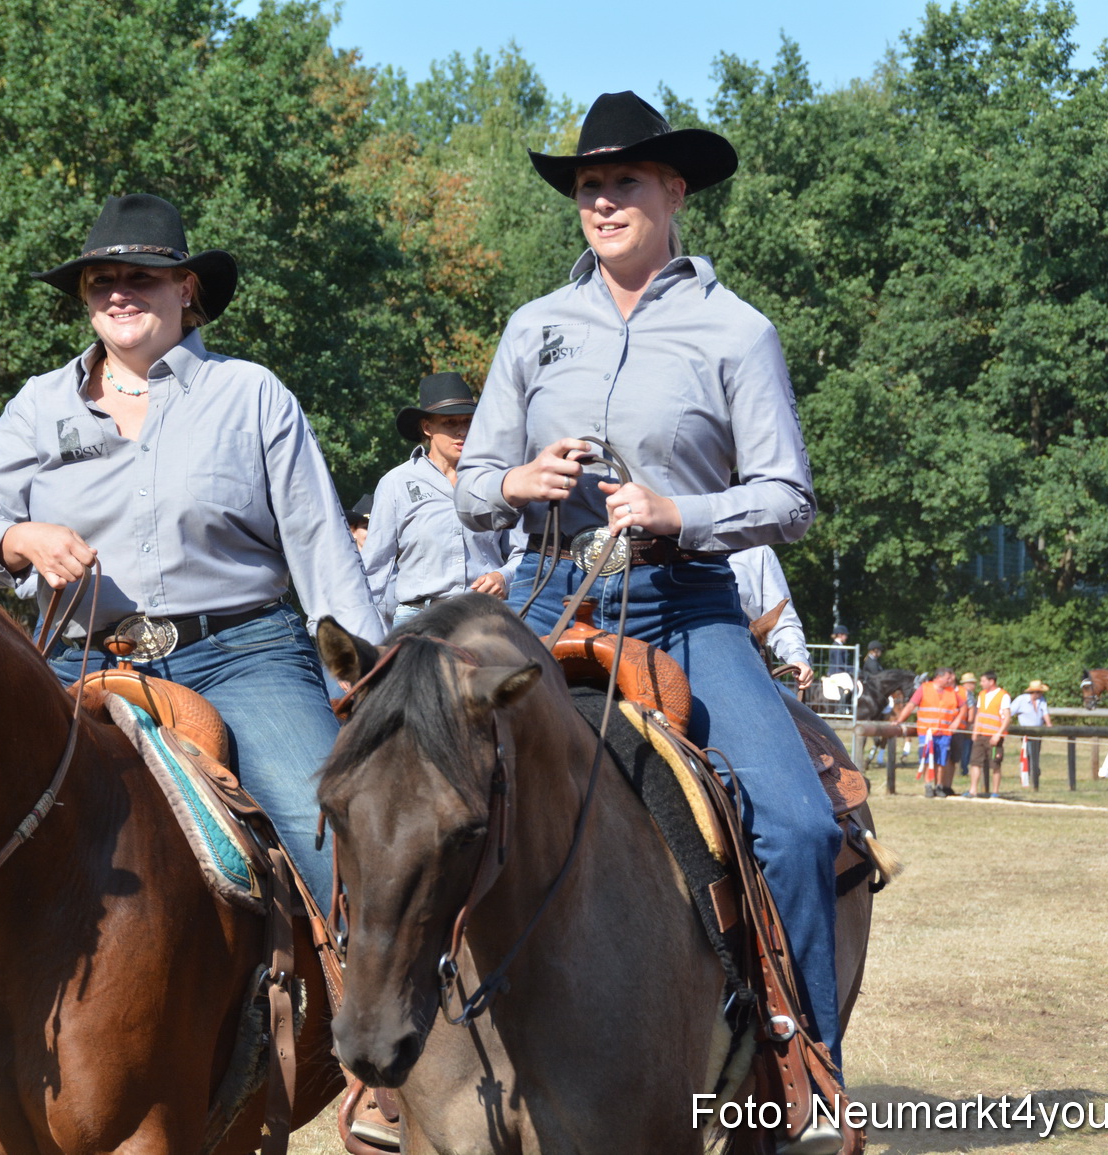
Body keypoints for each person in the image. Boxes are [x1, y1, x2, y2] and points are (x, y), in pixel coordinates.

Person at [451, 91, 846, 1145]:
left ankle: (803, 1062)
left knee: (799, 824)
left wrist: (682, 512)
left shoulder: (736, 331)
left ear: (675, 191)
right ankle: (400, 1055)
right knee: (416, 777)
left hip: (683, 602)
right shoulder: (533, 327)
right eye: (589, 184)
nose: (603, 199)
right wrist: (517, 480)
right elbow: (473, 484)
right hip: (545, 591)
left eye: (625, 180)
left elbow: (789, 499)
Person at [0, 192, 382, 913]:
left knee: (334, 842)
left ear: (186, 289)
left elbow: (321, 547)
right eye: (102, 281)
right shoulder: (38, 405)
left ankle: (362, 984)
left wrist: (371, 682)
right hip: (79, 658)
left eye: (142, 278)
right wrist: (18, 538)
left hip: (243, 657)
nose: (119, 293)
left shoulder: (251, 394)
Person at [361, 373, 526, 630]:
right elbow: (375, 569)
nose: (462, 431)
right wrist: (369, 635)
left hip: (485, 618)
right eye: (450, 422)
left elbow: (523, 553)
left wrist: (503, 576)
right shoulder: (396, 483)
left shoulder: (496, 481)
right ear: (427, 427)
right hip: (419, 622)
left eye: (468, 421)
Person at [728, 545, 813, 691]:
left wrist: (797, 656)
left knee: (794, 706)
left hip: (749, 665)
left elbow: (781, 619)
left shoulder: (757, 552)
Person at [895, 667, 966, 797]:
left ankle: (939, 786)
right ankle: (928, 786)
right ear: (939, 677)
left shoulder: (952, 692)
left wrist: (957, 721)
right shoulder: (924, 689)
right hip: (927, 732)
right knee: (927, 759)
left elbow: (963, 707)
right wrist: (899, 720)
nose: (950, 680)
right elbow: (911, 705)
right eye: (948, 678)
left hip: (944, 733)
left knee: (942, 760)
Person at [966, 670, 1012, 798]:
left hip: (994, 736)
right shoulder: (981, 695)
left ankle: (995, 792)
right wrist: (975, 731)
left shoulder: (1003, 696)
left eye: (983, 681)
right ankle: (973, 790)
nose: (981, 683)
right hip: (981, 734)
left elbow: (1007, 718)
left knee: (995, 764)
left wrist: (998, 735)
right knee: (975, 762)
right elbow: (979, 714)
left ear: (991, 682)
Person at [1010, 681, 1052, 785]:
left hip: (1038, 732)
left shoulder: (1042, 700)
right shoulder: (1021, 700)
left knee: (1036, 753)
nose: (1041, 694)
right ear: (1034, 692)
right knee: (1028, 753)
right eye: (1040, 692)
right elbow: (1010, 712)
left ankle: (1033, 772)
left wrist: (1049, 725)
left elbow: (1045, 713)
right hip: (1026, 733)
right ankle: (1029, 774)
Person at [952, 672, 979, 777]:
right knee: (966, 748)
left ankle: (961, 768)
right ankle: (964, 769)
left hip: (955, 724)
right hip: (965, 725)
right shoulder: (967, 693)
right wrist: (970, 722)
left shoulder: (956, 691)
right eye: (973, 683)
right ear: (967, 684)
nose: (974, 686)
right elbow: (971, 708)